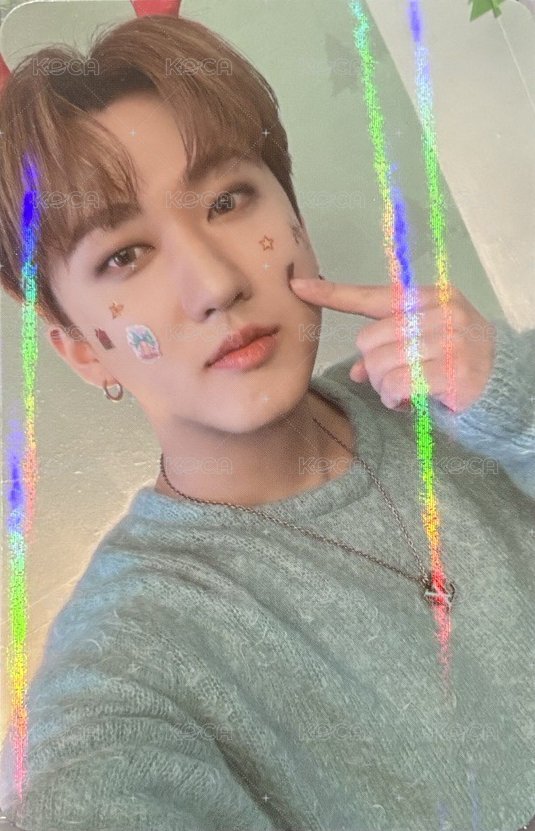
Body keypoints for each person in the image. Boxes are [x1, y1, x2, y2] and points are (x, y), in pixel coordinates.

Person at [0, 13, 534, 831]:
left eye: (227, 200)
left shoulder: (457, 404)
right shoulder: (131, 658)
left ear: (295, 217)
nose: (214, 283)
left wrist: (516, 401)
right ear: (79, 349)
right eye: (124, 255)